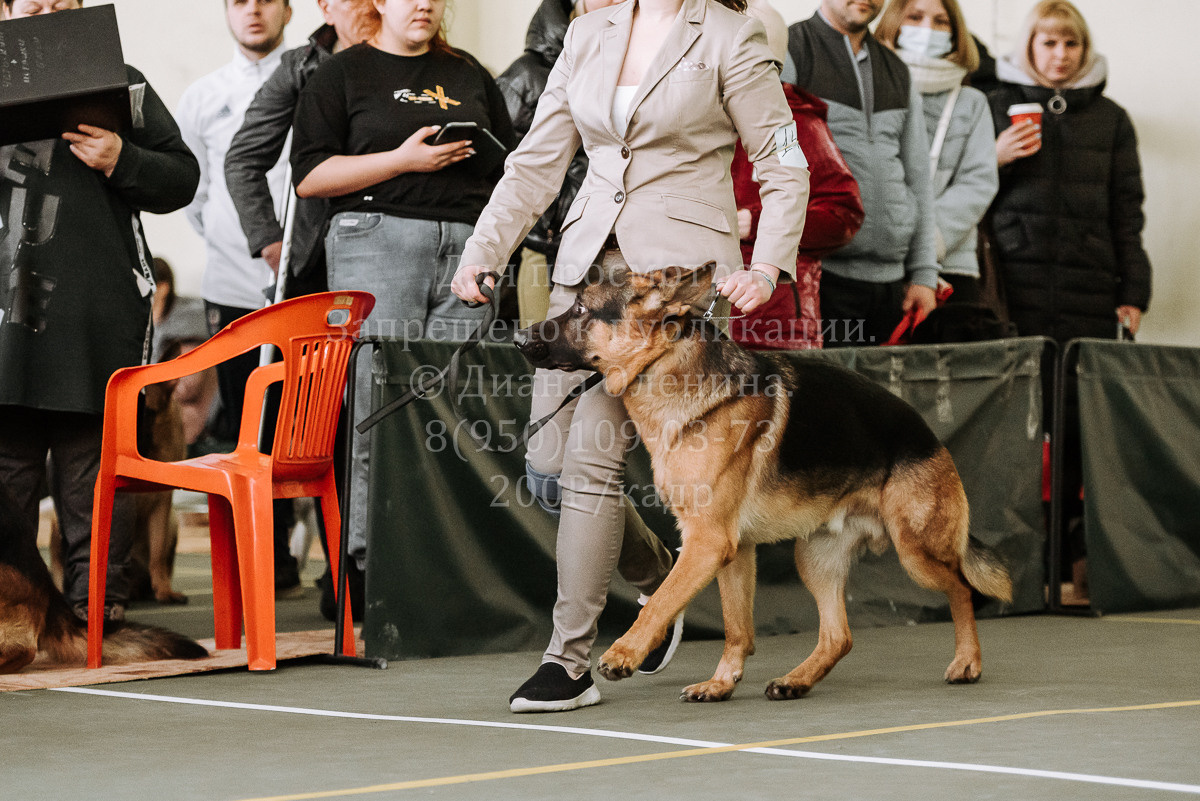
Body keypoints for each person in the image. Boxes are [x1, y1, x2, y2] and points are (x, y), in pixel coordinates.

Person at [452, 0, 809, 712]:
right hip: (581, 277)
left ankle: (569, 660)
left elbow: (780, 160)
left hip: (671, 292)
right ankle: (659, 573)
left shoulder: (732, 34)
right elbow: (537, 161)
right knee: (548, 471)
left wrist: (768, 266)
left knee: (589, 461)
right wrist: (483, 249)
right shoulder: (589, 30)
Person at [290, 0, 516, 576]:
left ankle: (440, 562)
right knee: (378, 402)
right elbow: (310, 178)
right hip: (377, 238)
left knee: (450, 408)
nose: (422, 4)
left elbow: (512, 170)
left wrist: (496, 241)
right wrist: (402, 160)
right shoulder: (341, 73)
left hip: (467, 246)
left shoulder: (468, 72)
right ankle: (371, 565)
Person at [0, 0, 200, 625]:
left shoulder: (123, 79)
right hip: (5, 317)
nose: (52, 8)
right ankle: (14, 612)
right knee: (8, 476)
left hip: (99, 313)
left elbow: (183, 178)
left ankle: (95, 614)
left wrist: (123, 159)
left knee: (92, 475)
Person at [986, 0, 1151, 598]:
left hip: (1090, 290)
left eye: (1070, 44)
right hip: (1013, 293)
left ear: (1084, 50)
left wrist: (1134, 289)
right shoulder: (993, 104)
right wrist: (995, 157)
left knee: (1081, 432)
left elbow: (1126, 215)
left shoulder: (1111, 118)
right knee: (1019, 431)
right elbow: (961, 192)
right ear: (1029, 47)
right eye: (1048, 43)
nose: (1059, 55)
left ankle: (1074, 562)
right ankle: (1021, 569)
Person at [176, 0, 303, 594]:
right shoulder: (203, 96)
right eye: (238, 0)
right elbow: (196, 196)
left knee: (304, 428)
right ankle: (266, 561)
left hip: (305, 287)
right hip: (234, 287)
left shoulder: (314, 77)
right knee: (245, 430)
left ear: (289, 9)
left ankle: (331, 564)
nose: (252, 10)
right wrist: (242, 248)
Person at [786, 0, 940, 347]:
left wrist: (924, 274)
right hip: (817, 276)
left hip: (892, 285)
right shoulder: (789, 48)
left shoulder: (897, 70)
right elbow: (772, 161)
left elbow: (918, 178)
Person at [225, 0, 381, 302]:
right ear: (326, 8)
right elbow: (243, 159)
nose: (369, 7)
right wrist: (268, 240)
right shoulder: (302, 66)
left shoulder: (424, 62)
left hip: (400, 241)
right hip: (318, 253)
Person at [729, 0, 863, 350]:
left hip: (774, 328)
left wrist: (753, 222)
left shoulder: (793, 127)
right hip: (700, 322)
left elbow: (842, 214)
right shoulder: (691, 124)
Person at [495, 0, 621, 329]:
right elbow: (505, 163)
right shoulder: (526, 74)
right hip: (545, 241)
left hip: (613, 240)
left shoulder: (634, 59)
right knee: (548, 356)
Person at [875, 0, 998, 306]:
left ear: (956, 33)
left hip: (951, 265)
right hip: (876, 261)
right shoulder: (869, 88)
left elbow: (978, 183)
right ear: (893, 23)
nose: (927, 29)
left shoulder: (972, 102)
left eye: (941, 21)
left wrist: (925, 246)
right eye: (915, 17)